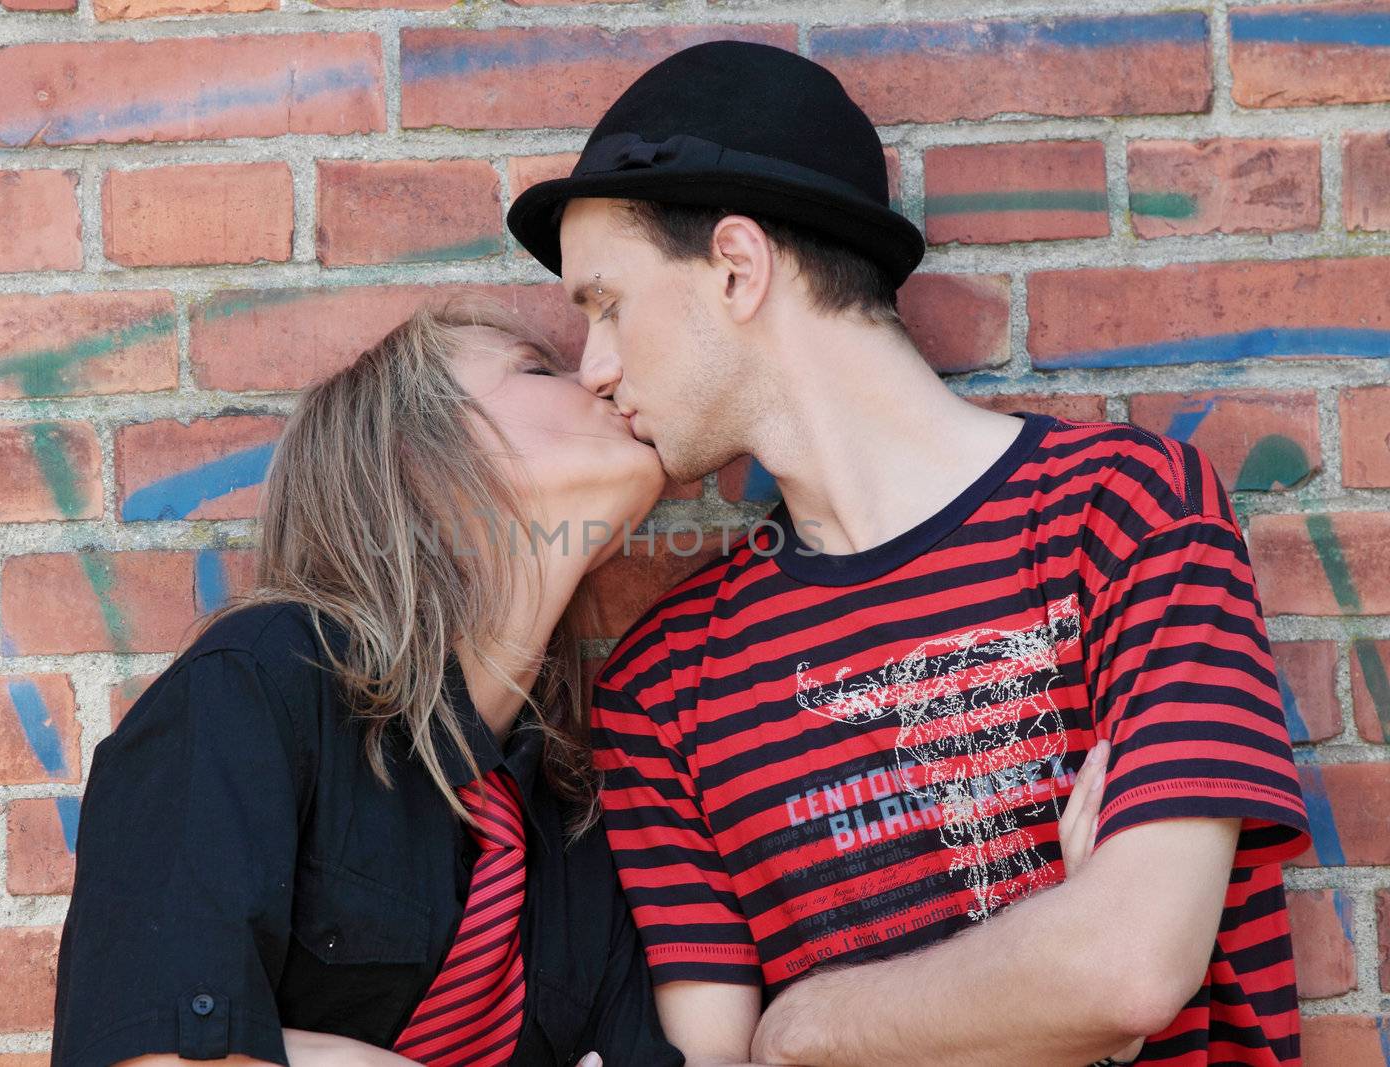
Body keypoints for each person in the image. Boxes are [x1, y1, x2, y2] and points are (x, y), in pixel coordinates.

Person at [505, 39, 1315, 1067]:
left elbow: (1125, 966)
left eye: (605, 303)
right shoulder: (666, 686)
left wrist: (802, 1025)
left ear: (737, 266)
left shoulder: (1119, 512)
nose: (595, 367)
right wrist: (1037, 973)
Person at [46, 292, 687, 1067]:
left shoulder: (578, 817)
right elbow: (155, 1053)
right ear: (424, 455)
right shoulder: (254, 689)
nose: (597, 378)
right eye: (536, 367)